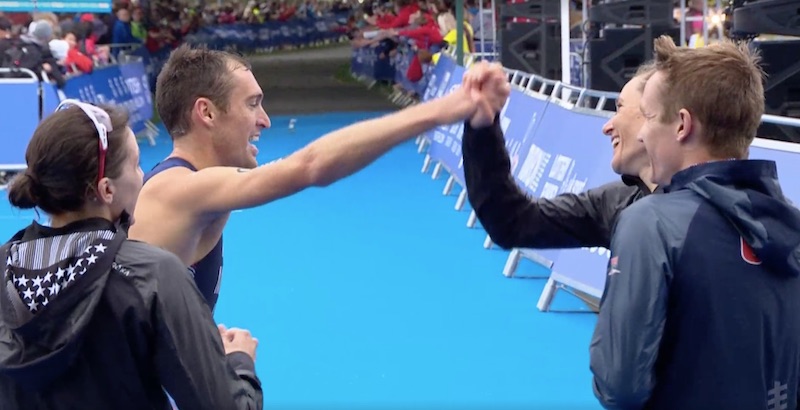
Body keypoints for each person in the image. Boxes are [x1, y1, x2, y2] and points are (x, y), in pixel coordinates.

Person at [129, 44, 491, 312]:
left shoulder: (191, 186)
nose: (265, 120)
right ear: (206, 113)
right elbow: (310, 166)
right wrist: (440, 111)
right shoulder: (180, 189)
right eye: (252, 104)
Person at [0, 100, 263, 409]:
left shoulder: (5, 269)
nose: (142, 176)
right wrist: (239, 363)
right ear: (106, 190)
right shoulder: (153, 275)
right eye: (137, 165)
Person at [590, 36, 800, 409]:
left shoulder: (650, 223)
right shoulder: (792, 222)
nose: (642, 133)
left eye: (649, 117)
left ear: (682, 125)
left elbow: (620, 384)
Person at [459, 60, 660, 311]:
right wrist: (482, 129)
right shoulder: (616, 202)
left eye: (619, 109)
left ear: (660, 117)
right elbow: (511, 221)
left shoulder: (702, 215)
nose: (607, 126)